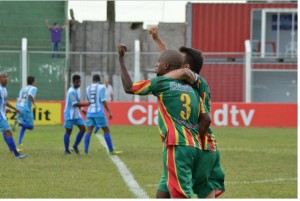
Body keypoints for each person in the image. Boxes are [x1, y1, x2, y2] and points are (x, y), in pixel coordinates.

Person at [118, 44, 211, 198]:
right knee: (163, 194)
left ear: (166, 66)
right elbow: (206, 118)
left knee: (180, 195)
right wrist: (195, 139)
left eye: (158, 62)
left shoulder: (161, 83)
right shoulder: (192, 89)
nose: (155, 65)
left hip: (177, 146)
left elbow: (129, 87)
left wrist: (121, 58)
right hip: (192, 146)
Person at [149, 26, 225, 198]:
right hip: (188, 147)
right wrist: (157, 40)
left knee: (201, 191)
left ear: (186, 67)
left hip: (200, 147)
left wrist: (189, 141)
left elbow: (206, 120)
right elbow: (170, 62)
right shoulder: (181, 84)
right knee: (163, 194)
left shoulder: (198, 83)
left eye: (179, 62)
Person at [84, 74, 122, 155]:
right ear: (99, 80)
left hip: (90, 112)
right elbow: (103, 100)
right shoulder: (102, 87)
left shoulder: (88, 88)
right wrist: (109, 111)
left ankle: (86, 151)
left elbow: (88, 100)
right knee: (106, 130)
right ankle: (111, 150)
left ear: (92, 80)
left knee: (88, 131)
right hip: (98, 112)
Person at [0, 72, 27, 159]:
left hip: (2, 114)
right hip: (1, 116)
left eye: (7, 77)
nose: (6, 78)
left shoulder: (4, 89)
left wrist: (14, 109)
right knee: (8, 132)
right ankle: (17, 154)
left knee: (5, 132)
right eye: (4, 77)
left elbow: (4, 102)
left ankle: (13, 150)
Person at [63, 74, 89, 155]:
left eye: (79, 82)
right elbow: (74, 104)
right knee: (68, 131)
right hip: (69, 114)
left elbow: (78, 102)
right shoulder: (71, 91)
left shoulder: (78, 90)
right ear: (73, 82)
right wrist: (86, 104)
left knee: (83, 129)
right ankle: (66, 151)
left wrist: (82, 109)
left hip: (76, 114)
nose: (79, 84)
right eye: (77, 82)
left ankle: (75, 146)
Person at [12, 76, 37, 153]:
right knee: (31, 126)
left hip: (19, 107)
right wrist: (34, 103)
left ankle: (19, 145)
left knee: (24, 127)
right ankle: (19, 123)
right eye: (35, 81)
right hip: (26, 108)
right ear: (33, 82)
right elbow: (30, 95)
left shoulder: (23, 88)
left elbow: (19, 98)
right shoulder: (33, 88)